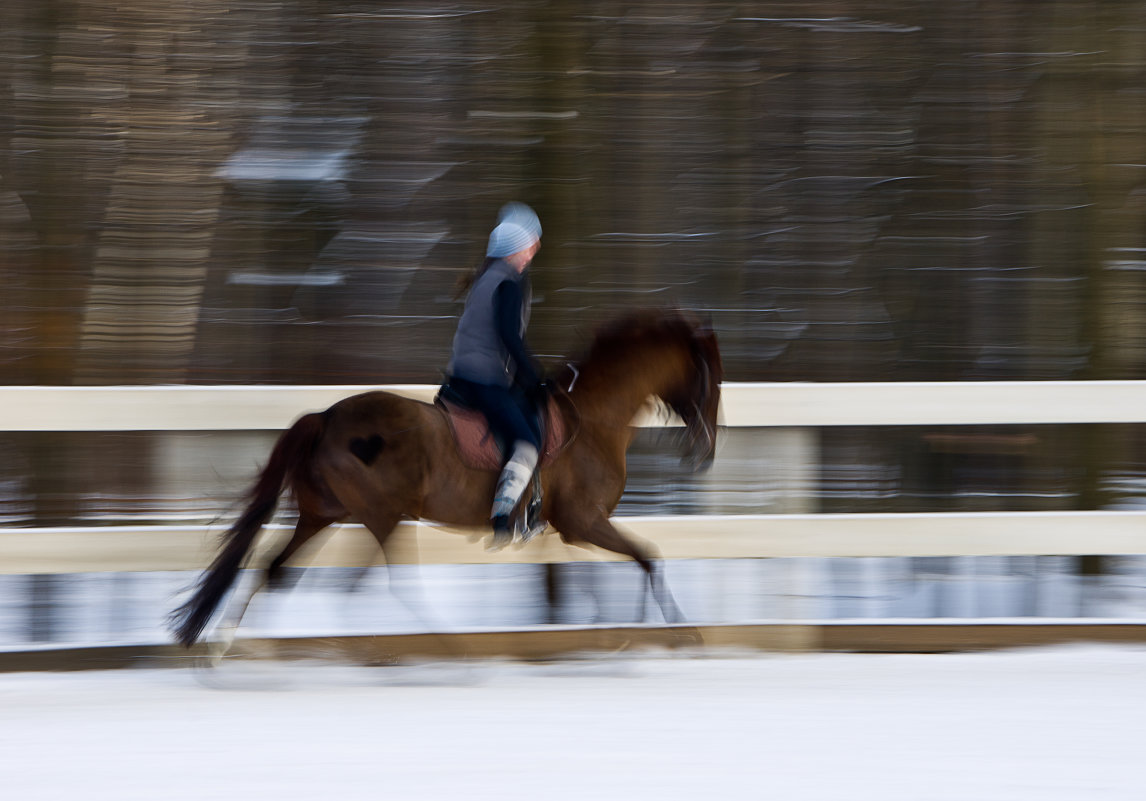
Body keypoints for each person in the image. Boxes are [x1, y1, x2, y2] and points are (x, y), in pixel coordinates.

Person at [446, 202, 544, 548]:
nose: (534, 252)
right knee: (528, 443)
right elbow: (509, 339)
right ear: (517, 249)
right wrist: (533, 377)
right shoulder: (509, 284)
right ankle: (503, 517)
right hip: (483, 380)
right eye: (531, 244)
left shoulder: (486, 277)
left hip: (461, 375)